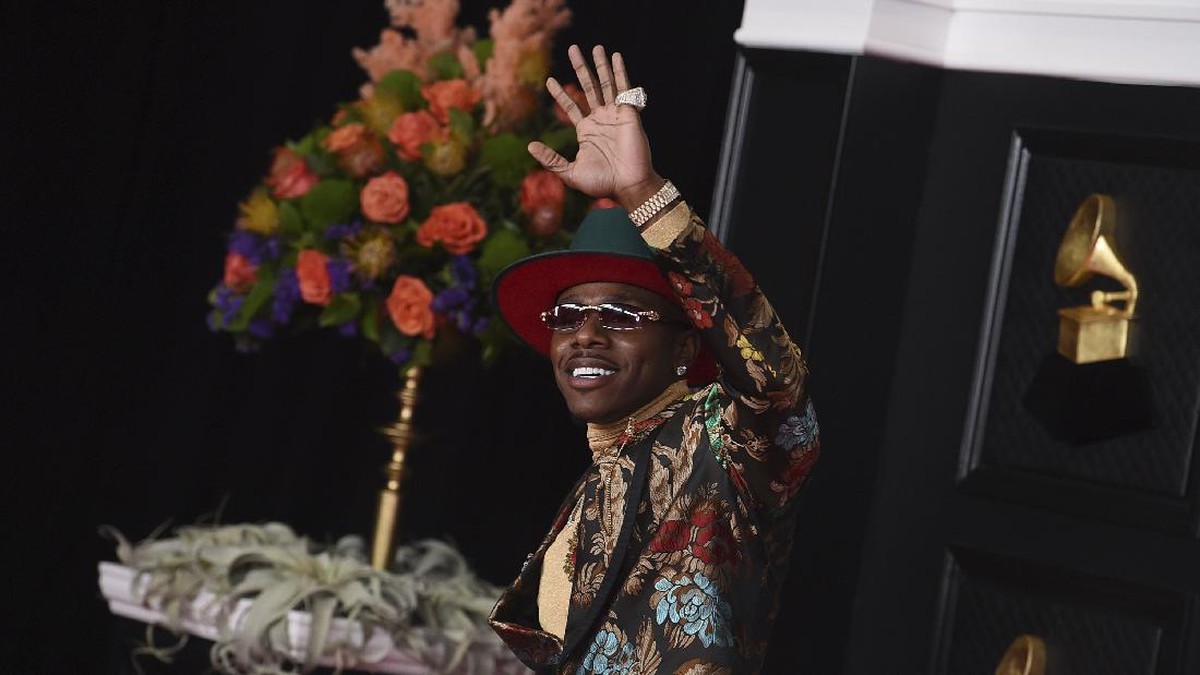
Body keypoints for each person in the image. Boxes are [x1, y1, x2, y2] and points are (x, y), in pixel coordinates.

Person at [488, 44, 820, 674]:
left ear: (685, 346)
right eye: (567, 316)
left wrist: (642, 191)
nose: (583, 336)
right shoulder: (602, 471)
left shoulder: (720, 442)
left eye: (617, 316)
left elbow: (774, 381)